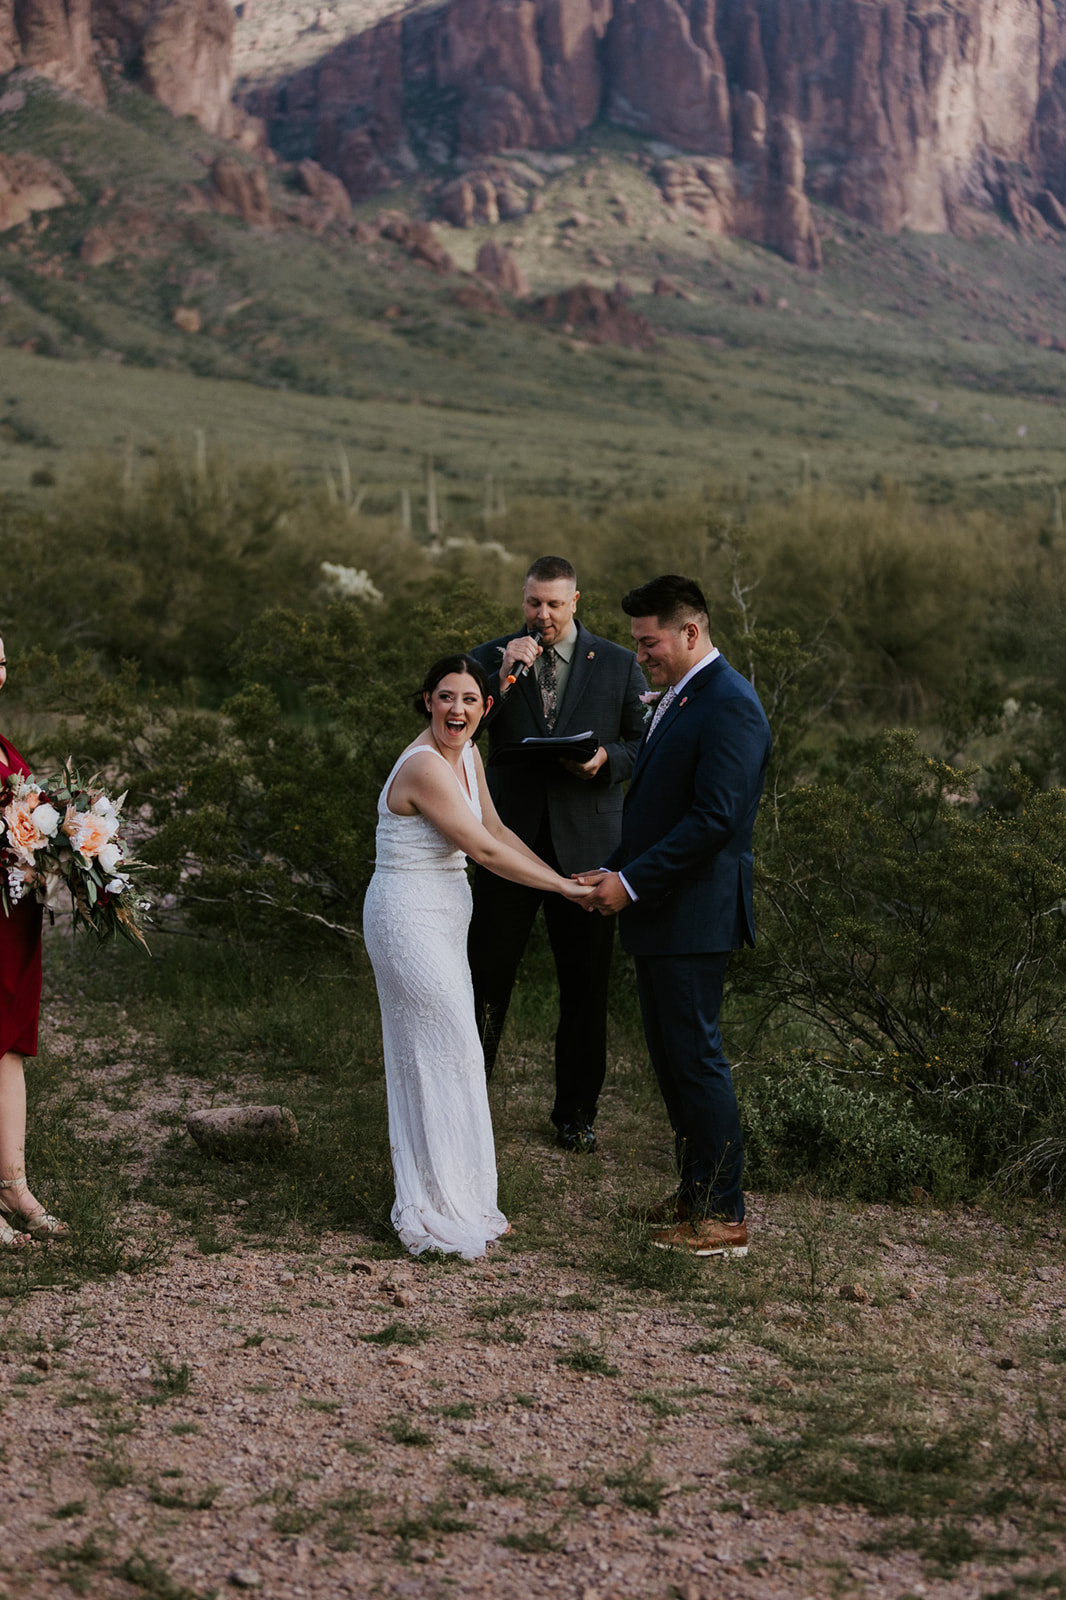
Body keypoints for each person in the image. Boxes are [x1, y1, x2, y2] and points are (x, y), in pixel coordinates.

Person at [363, 654, 591, 1261]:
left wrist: (561, 875)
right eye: (444, 697)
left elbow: (499, 828)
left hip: (442, 920)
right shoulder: (425, 767)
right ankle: (438, 1204)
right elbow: (485, 853)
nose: (456, 709)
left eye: (468, 699)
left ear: (485, 708)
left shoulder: (467, 757)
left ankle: (459, 1194)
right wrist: (566, 891)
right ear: (426, 701)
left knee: (450, 1054)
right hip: (406, 920)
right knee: (450, 1050)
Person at [576, 576, 771, 1257]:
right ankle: (695, 1191)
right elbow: (657, 808)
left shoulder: (730, 705)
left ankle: (723, 1215)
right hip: (662, 908)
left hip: (693, 912)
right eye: (635, 643)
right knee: (672, 1058)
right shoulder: (683, 696)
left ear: (690, 632)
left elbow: (714, 820)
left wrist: (631, 883)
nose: (641, 656)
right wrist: (616, 867)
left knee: (696, 1059)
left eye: (648, 642)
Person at [468, 557, 646, 1152]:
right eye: (532, 603)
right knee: (487, 976)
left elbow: (644, 744)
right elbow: (457, 728)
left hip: (587, 845)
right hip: (505, 842)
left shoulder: (619, 663)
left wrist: (604, 764)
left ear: (576, 601)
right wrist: (499, 680)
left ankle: (575, 1114)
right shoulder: (490, 656)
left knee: (585, 984)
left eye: (553, 604)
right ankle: (468, 1104)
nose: (541, 615)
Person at [0, 634, 68, 1250]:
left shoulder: (2, 747)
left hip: (14, 916)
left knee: (11, 1047)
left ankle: (13, 1183)